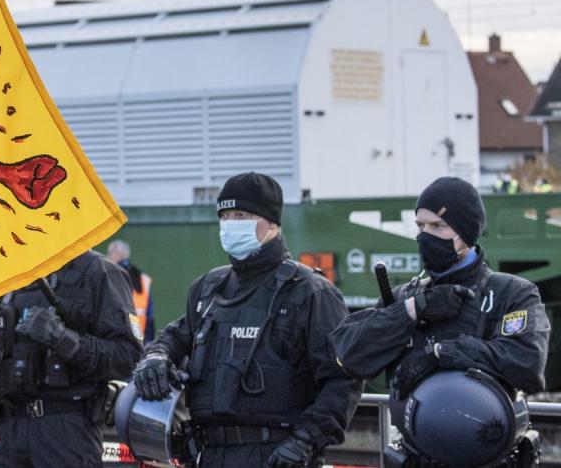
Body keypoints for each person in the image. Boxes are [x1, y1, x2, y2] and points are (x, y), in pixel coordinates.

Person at [132, 172, 362, 468]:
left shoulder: (310, 292)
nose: (230, 225)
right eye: (224, 216)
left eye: (241, 215)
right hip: (209, 454)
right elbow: (174, 337)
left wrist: (305, 442)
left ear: (272, 223)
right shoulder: (208, 289)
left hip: (276, 456)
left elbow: (344, 379)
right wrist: (156, 356)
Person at [329, 177, 550, 466]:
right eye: (420, 226)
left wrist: (440, 354)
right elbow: (346, 352)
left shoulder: (511, 294)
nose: (424, 236)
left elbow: (527, 363)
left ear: (466, 234)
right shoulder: (408, 297)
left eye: (438, 227)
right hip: (418, 456)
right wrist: (411, 311)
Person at [0, 250, 143, 467]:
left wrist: (63, 339)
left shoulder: (98, 272)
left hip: (66, 430)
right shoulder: (10, 273)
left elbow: (128, 356)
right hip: (10, 428)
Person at [106, 239, 155, 342]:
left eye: (109, 253)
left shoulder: (111, 275)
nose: (107, 257)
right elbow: (150, 316)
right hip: (141, 337)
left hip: (119, 339)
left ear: (117, 253)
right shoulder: (142, 277)